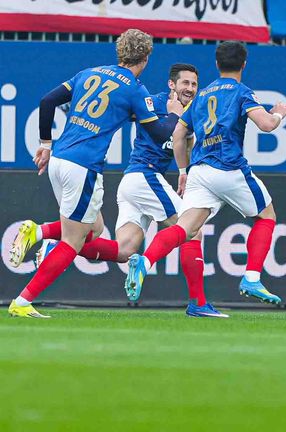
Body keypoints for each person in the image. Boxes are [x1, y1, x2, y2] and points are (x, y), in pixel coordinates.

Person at [25, 64, 228, 318]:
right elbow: (129, 114)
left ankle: (56, 248)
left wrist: (184, 170)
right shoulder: (152, 102)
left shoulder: (194, 113)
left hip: (133, 182)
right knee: (192, 230)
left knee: (123, 250)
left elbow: (185, 143)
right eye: (184, 83)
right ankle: (197, 303)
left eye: (194, 84)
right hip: (145, 176)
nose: (190, 89)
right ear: (171, 85)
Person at [7, 29, 183, 318]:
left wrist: (45, 144)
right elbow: (159, 132)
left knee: (95, 228)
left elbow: (47, 101)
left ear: (119, 51)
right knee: (73, 241)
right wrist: (175, 112)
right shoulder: (135, 89)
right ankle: (23, 300)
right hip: (84, 167)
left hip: (60, 160)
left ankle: (37, 231)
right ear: (146, 57)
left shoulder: (89, 73)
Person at [122, 41, 286, 305]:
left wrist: (182, 170)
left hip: (199, 171)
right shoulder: (241, 91)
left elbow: (178, 134)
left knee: (185, 229)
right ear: (244, 64)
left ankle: (145, 261)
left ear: (216, 64)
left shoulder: (201, 96)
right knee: (266, 215)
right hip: (228, 167)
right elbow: (267, 125)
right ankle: (252, 277)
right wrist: (278, 114)